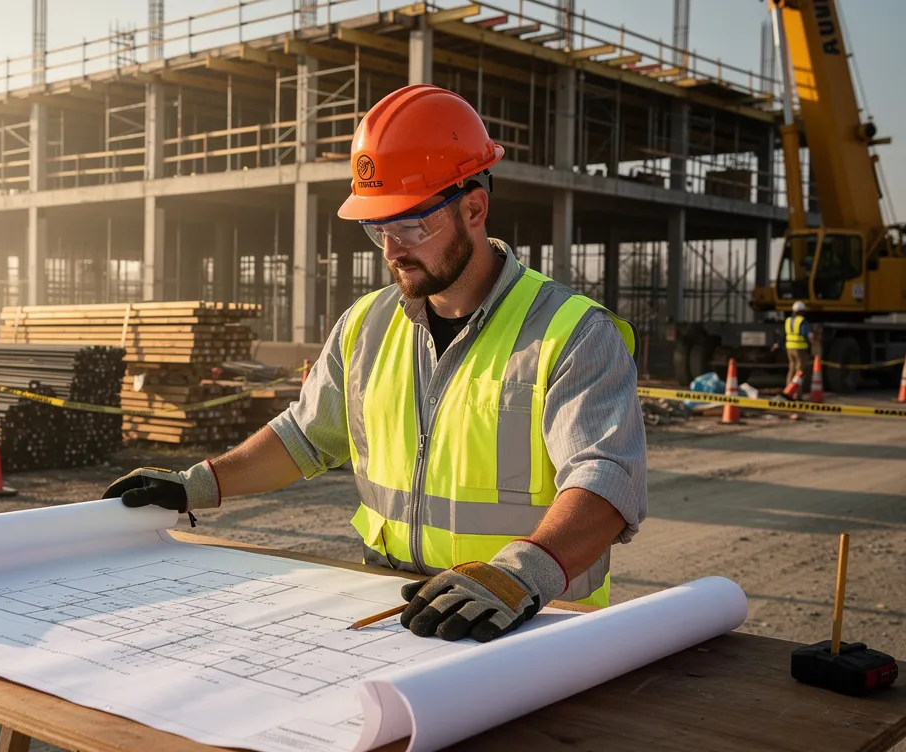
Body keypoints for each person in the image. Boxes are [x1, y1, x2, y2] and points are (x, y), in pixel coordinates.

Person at [103, 84, 647, 643]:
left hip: (533, 628)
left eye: (410, 226)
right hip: (397, 615)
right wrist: (195, 486)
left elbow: (607, 481)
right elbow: (305, 438)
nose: (391, 249)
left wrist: (517, 577)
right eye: (377, 228)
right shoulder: (365, 325)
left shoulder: (573, 332)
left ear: (474, 208)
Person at [781, 301, 813, 397]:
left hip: (789, 348)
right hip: (800, 348)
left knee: (791, 369)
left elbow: (784, 334)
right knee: (799, 371)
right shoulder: (802, 321)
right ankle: (797, 394)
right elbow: (804, 334)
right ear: (802, 311)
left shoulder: (788, 320)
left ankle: (788, 391)